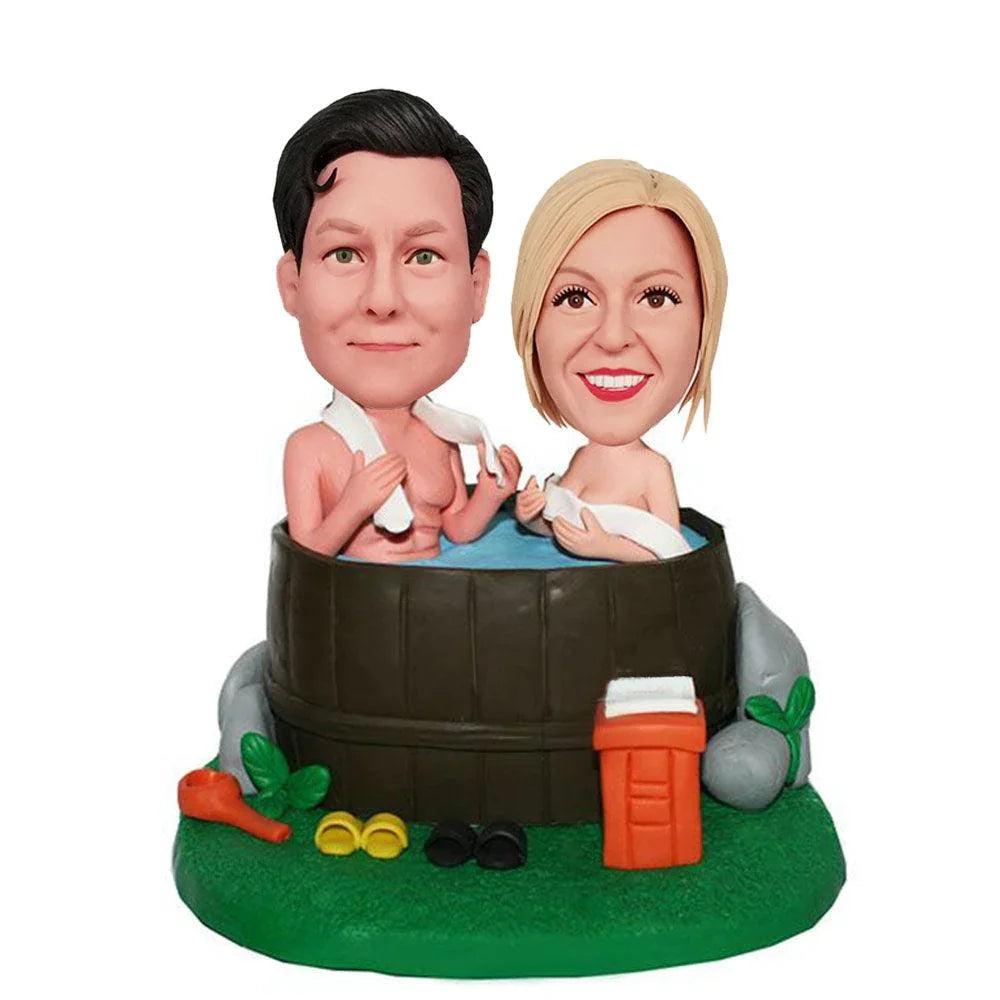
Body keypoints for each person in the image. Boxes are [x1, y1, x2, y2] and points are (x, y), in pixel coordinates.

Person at [274, 90, 521, 562]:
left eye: (423, 256)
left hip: (439, 595)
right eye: (344, 254)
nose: (383, 300)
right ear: (293, 285)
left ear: (476, 286)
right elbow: (305, 562)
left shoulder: (442, 436)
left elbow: (456, 529)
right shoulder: (311, 449)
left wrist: (491, 494)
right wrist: (355, 504)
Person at [511, 160, 727, 562]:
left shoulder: (652, 471)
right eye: (576, 298)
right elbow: (561, 522)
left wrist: (606, 547)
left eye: (656, 298)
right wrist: (532, 515)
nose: (613, 337)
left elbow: (669, 554)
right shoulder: (583, 461)